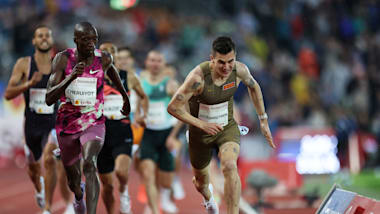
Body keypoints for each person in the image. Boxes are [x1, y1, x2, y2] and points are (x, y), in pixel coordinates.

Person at [167, 36, 275, 214]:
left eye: (230, 61)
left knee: (230, 166)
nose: (226, 67)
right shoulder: (197, 78)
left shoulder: (240, 70)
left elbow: (254, 87)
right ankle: (209, 200)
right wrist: (201, 125)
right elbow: (173, 107)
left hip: (226, 127)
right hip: (200, 132)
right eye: (221, 62)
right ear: (212, 59)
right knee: (201, 182)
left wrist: (263, 120)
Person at [45, 22, 130, 214]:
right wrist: (70, 78)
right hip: (67, 124)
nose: (91, 44)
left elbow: (113, 72)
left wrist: (125, 97)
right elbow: (49, 98)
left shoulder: (104, 58)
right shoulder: (62, 59)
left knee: (90, 162)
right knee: (73, 180)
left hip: (94, 121)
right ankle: (78, 195)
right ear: (75, 40)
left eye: (94, 39)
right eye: (86, 40)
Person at [4, 25, 73, 214]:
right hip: (33, 123)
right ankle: (39, 187)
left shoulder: (59, 65)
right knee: (34, 168)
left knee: (54, 160)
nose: (43, 38)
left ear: (51, 41)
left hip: (54, 121)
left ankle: (54, 207)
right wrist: (29, 84)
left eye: (47, 36)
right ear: (34, 41)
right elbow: (8, 94)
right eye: (39, 36)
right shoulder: (24, 64)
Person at [97, 42, 148, 214]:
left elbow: (143, 96)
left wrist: (142, 114)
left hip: (123, 129)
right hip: (101, 132)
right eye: (105, 51)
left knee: (120, 171)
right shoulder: (93, 78)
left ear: (116, 56)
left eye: (112, 51)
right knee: (107, 184)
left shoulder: (129, 76)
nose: (108, 54)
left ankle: (124, 191)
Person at [137, 50, 182, 214]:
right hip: (148, 134)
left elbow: (183, 111)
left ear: (163, 64)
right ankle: (153, 207)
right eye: (152, 60)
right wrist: (137, 117)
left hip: (167, 134)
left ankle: (164, 196)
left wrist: (173, 136)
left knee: (166, 182)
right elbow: (136, 106)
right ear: (147, 62)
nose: (155, 64)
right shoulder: (140, 81)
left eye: (159, 61)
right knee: (148, 173)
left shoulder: (171, 84)